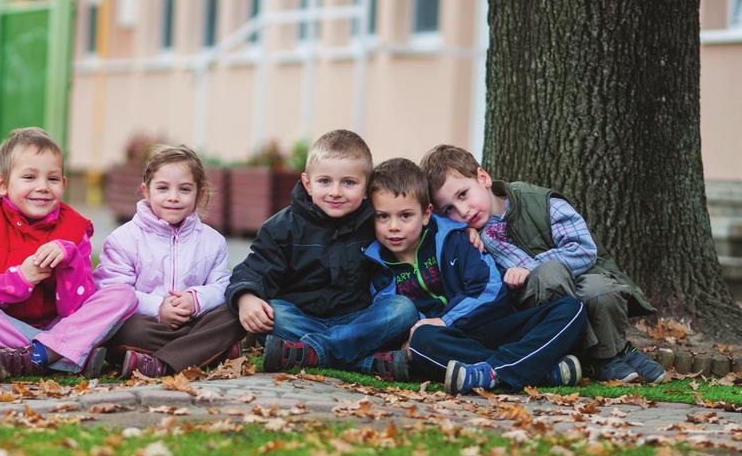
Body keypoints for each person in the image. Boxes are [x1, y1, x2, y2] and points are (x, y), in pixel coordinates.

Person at [421, 144, 665, 384]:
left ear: (483, 177)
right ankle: (606, 358)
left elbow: (583, 248)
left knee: (596, 291)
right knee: (550, 277)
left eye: (463, 194)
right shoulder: (470, 239)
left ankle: (612, 354)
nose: (462, 211)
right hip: (536, 308)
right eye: (450, 209)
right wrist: (465, 234)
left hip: (581, 277)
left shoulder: (537, 201)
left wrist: (530, 267)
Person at [364, 158, 588, 394]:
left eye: (405, 216)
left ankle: (494, 372)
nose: (394, 227)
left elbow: (490, 290)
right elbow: (390, 315)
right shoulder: (375, 264)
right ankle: (536, 371)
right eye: (383, 216)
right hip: (450, 342)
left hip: (492, 326)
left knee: (572, 310)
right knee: (421, 342)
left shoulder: (456, 240)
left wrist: (446, 319)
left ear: (427, 213)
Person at [225, 129, 417, 377]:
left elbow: (418, 225)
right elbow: (253, 269)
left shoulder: (374, 223)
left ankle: (310, 351)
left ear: (366, 188)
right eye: (324, 181)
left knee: (402, 309)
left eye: (348, 183)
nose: (335, 191)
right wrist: (246, 298)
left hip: (357, 321)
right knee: (274, 312)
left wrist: (471, 231)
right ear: (307, 183)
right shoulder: (282, 227)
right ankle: (364, 362)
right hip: (301, 318)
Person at [0, 127, 137, 381]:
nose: (42, 187)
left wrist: (69, 260)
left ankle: (34, 357)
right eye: (29, 177)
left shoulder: (75, 228)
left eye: (53, 179)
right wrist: (20, 279)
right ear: (2, 184)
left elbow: (76, 309)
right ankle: (61, 356)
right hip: (4, 326)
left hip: (59, 324)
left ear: (64, 183)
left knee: (122, 294)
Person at [94, 145, 246, 378]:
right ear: (146, 191)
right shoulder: (124, 239)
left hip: (194, 321)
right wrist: (158, 308)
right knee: (118, 328)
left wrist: (196, 300)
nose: (173, 197)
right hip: (146, 324)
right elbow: (112, 292)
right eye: (163, 188)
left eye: (184, 189)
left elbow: (222, 286)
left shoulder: (213, 241)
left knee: (234, 312)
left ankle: (157, 363)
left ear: (200, 193)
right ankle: (213, 350)